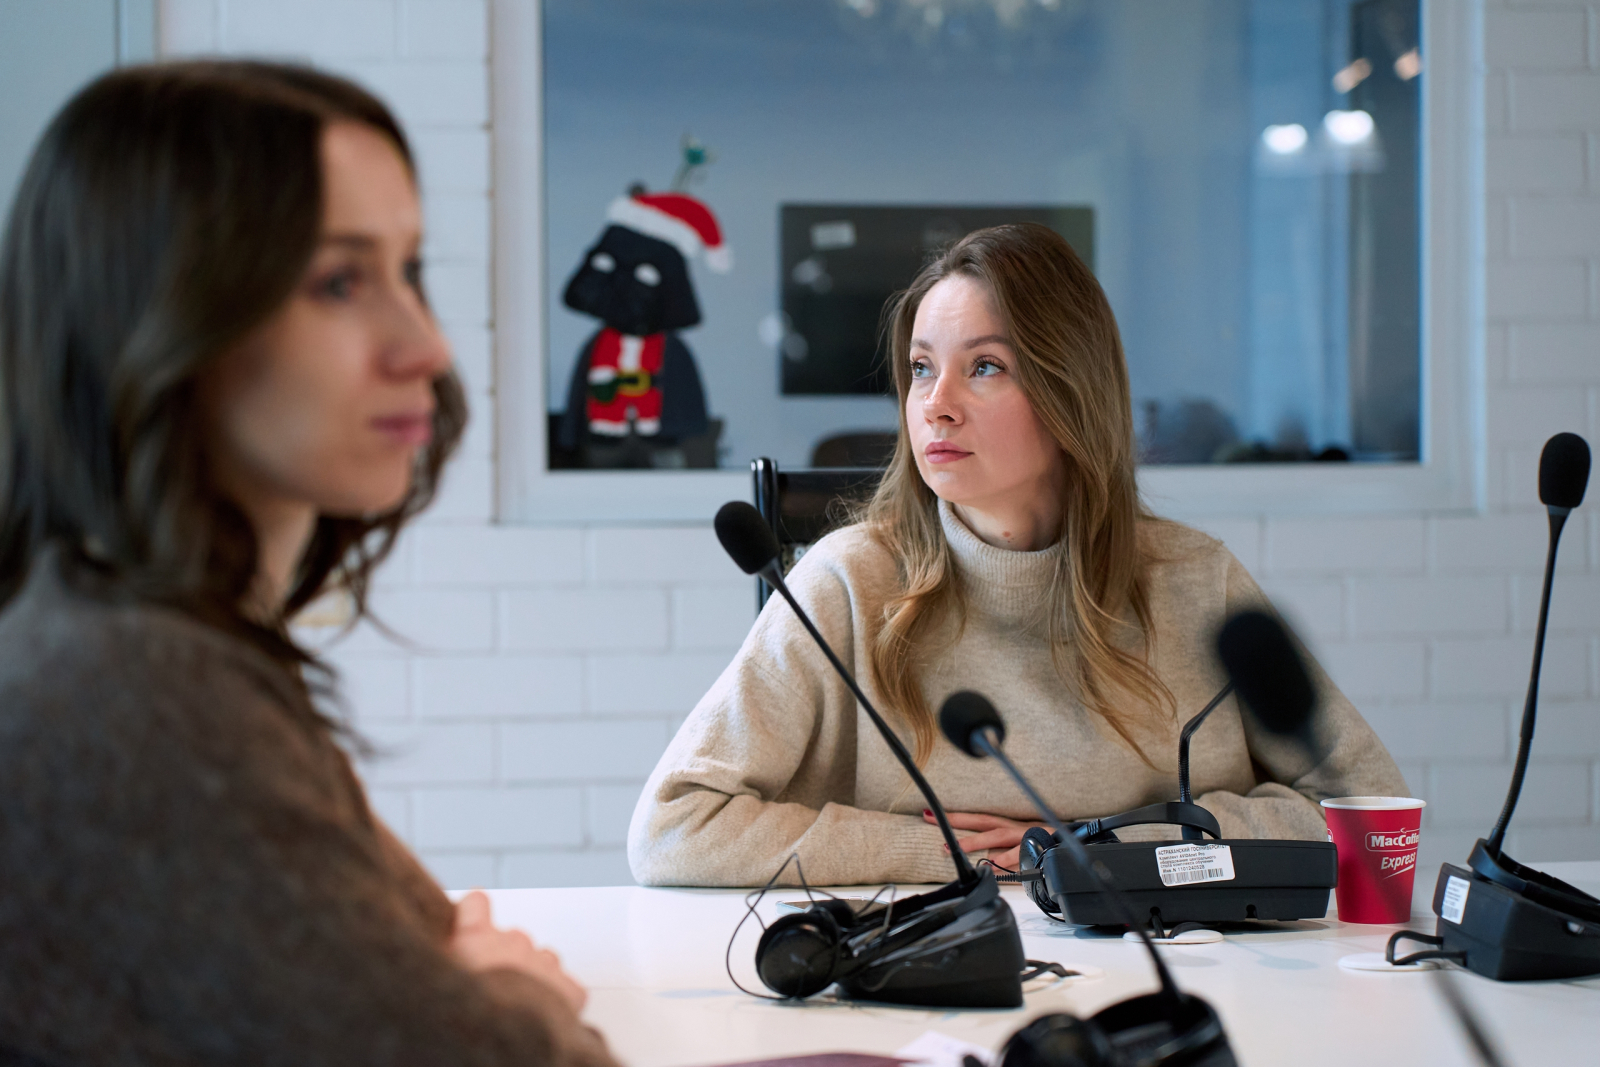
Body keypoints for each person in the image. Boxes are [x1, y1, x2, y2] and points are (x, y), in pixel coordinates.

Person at [0, 62, 616, 1065]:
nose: (425, 347)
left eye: (409, 271)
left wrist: (475, 984)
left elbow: (417, 959)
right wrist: (516, 990)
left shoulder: (162, 642)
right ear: (162, 312)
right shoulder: (132, 688)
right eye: (339, 282)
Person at [629, 224, 1407, 888]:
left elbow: (1369, 811)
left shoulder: (1195, 579)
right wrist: (933, 851)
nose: (935, 404)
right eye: (922, 368)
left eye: (985, 366)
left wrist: (1107, 847)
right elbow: (673, 827)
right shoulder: (847, 581)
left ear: (1071, 391)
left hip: (1164, 970)